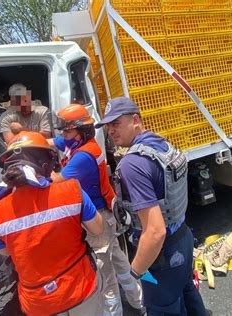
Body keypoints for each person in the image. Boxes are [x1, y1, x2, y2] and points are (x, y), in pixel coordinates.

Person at [95, 97, 207, 315]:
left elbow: (155, 231)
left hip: (162, 255)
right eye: (107, 126)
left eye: (116, 123)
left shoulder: (132, 164)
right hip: (182, 239)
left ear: (135, 120)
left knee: (162, 308)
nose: (110, 131)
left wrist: (134, 271)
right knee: (188, 294)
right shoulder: (160, 143)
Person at [0, 131, 104, 315]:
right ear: (46, 165)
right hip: (80, 289)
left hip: (38, 304)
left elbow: (5, 250)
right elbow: (97, 229)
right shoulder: (71, 190)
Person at [48, 104, 144, 315]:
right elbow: (54, 141)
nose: (64, 134)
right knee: (119, 262)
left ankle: (116, 312)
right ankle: (139, 303)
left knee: (105, 276)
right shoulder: (79, 142)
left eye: (67, 130)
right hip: (105, 216)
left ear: (80, 130)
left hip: (98, 219)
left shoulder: (84, 155)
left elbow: (57, 182)